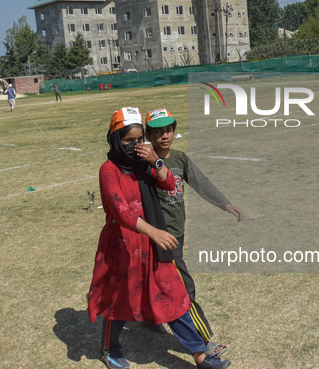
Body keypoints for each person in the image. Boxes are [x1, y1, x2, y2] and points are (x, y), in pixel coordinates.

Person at [88, 107, 231, 369]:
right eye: (128, 140)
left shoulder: (144, 162)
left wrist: (155, 160)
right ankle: (109, 347)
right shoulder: (108, 169)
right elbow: (121, 212)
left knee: (171, 292)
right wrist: (155, 232)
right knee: (118, 297)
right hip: (122, 243)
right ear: (115, 139)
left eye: (139, 139)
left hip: (151, 242)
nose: (135, 145)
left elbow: (169, 184)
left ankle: (200, 356)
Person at [143, 108, 244, 358]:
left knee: (156, 280)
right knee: (183, 287)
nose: (164, 136)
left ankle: (149, 317)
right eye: (157, 131)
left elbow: (201, 182)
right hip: (160, 236)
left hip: (177, 232)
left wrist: (225, 203)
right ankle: (203, 341)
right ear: (149, 135)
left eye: (168, 130)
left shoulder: (179, 158)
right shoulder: (145, 162)